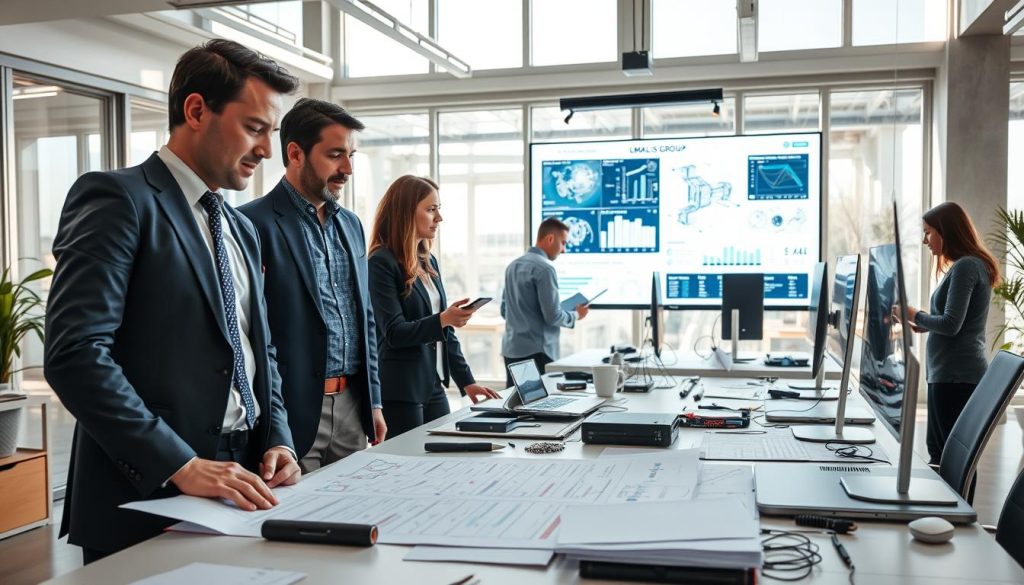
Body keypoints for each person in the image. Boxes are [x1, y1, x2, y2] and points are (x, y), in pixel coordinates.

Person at [43, 39, 301, 563]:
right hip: (147, 488)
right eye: (255, 128)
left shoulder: (241, 228)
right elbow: (76, 353)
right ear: (196, 110)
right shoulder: (119, 199)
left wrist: (279, 438)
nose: (267, 150)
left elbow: (257, 351)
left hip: (245, 475)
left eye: (271, 132)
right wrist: (178, 463)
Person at [239, 99, 386, 472]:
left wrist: (374, 401)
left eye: (351, 155)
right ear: (295, 153)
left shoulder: (351, 225)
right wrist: (273, 423)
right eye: (336, 155)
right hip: (290, 414)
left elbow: (364, 317)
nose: (347, 169)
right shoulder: (250, 224)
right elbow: (250, 332)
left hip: (354, 408)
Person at [367, 175, 500, 437]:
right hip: (402, 391)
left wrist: (468, 382)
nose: (439, 218)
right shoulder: (381, 262)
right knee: (406, 469)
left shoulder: (428, 261)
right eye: (431, 209)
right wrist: (443, 319)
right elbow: (393, 332)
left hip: (434, 385)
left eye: (439, 209)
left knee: (442, 459)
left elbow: (444, 331)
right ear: (405, 213)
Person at [906, 201, 1001, 465]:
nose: (925, 240)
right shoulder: (968, 265)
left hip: (955, 377)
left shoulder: (966, 267)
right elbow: (957, 323)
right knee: (943, 454)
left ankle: (954, 505)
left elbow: (951, 324)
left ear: (946, 231)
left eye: (928, 232)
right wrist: (924, 323)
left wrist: (914, 314)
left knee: (948, 456)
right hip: (949, 374)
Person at [500, 217, 589, 388]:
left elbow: (505, 310)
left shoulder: (512, 266)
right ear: (550, 239)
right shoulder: (545, 269)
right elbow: (553, 316)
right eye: (563, 243)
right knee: (539, 407)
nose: (564, 250)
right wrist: (577, 314)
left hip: (512, 350)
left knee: (518, 404)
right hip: (537, 352)